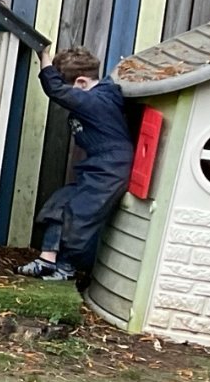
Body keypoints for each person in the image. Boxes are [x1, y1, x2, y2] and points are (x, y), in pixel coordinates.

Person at [18, 45, 131, 283]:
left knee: (80, 217)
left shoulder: (98, 100)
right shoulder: (95, 98)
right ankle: (47, 259)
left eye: (70, 89)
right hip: (95, 165)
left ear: (81, 83)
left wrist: (44, 56)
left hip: (111, 168)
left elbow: (56, 91)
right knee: (61, 202)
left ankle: (66, 268)